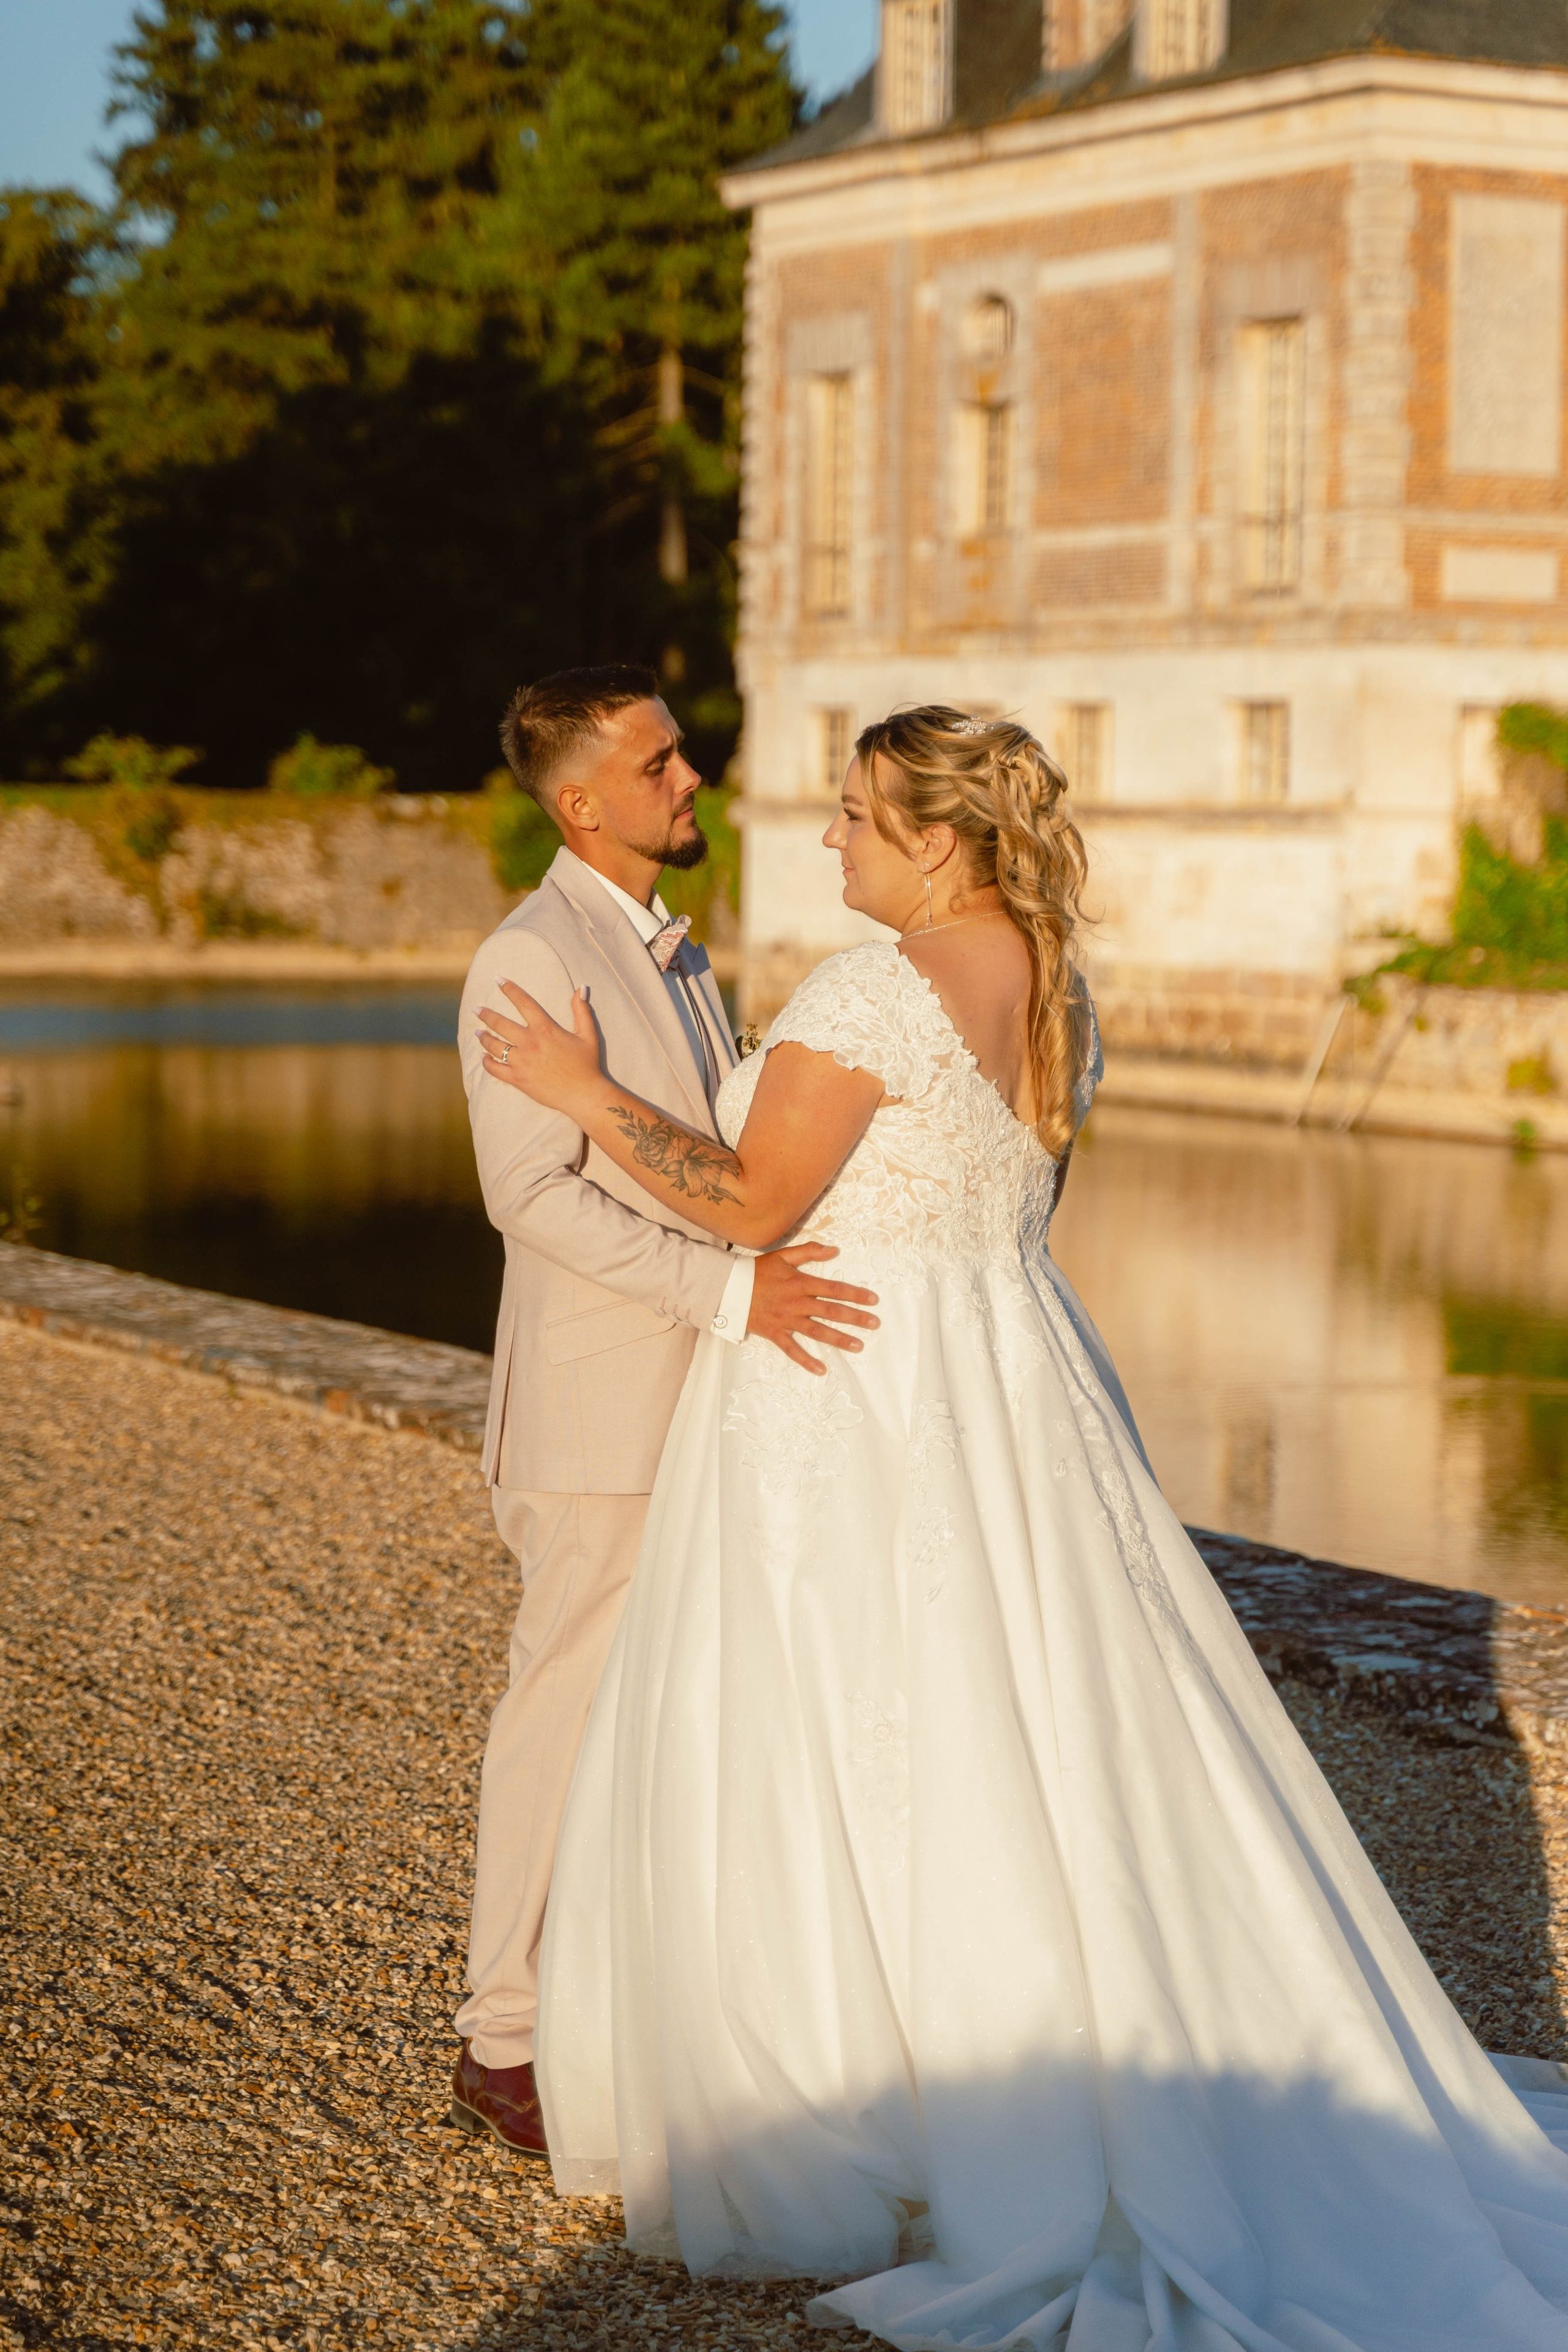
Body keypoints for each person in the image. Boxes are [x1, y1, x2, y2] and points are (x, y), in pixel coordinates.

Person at [475, 704, 1568, 2350]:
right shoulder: (1057, 985)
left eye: (853, 814)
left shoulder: (869, 990)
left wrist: (573, 1081)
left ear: (935, 837)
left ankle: (890, 2097)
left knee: (862, 1733)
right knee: (1035, 1732)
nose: (828, 837)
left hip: (857, 1394)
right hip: (1014, 1379)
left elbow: (752, 1205)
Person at [450, 666, 877, 2155]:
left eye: (679, 751)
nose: (690, 777)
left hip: (699, 1399)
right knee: (562, 1712)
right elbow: (529, 1200)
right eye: (659, 761)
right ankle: (501, 2035)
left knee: (666, 1715)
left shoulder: (675, 955)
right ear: (582, 802)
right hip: (596, 1410)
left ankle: (622, 2005)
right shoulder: (529, 954)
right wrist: (732, 1297)